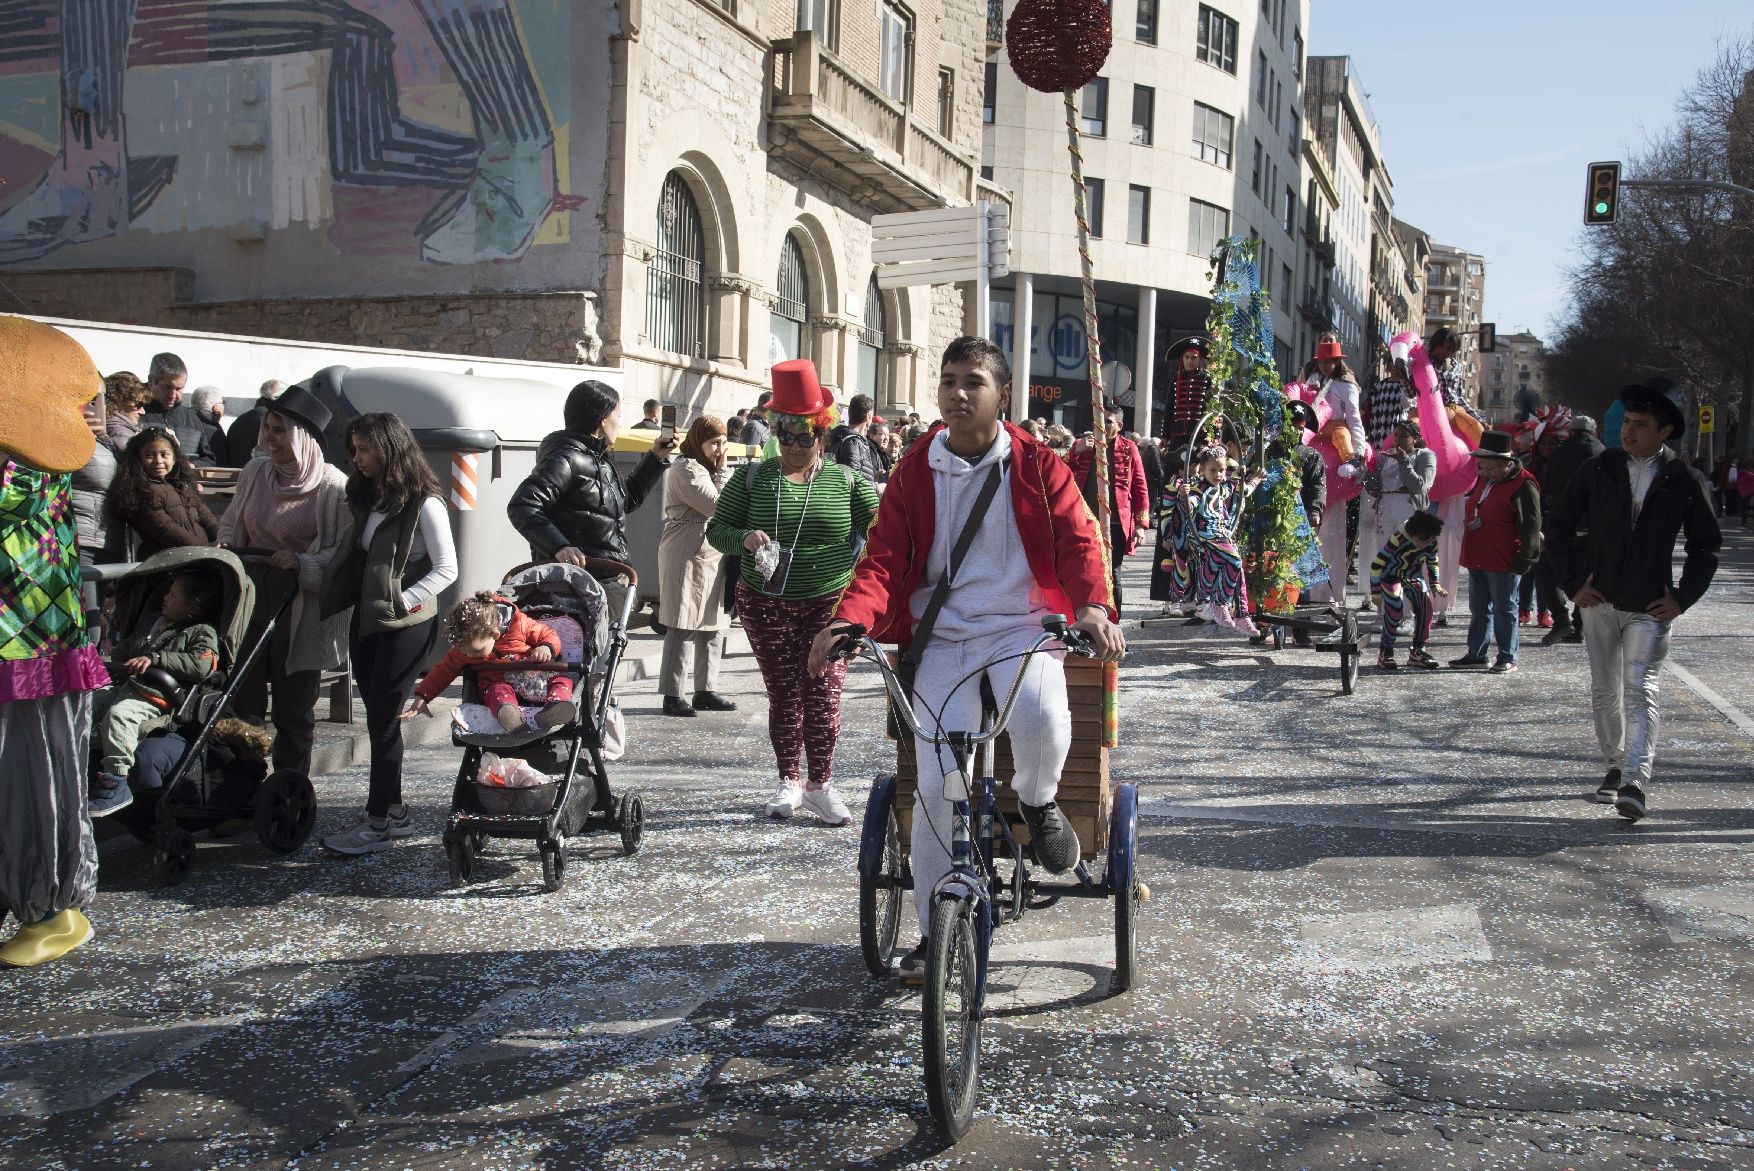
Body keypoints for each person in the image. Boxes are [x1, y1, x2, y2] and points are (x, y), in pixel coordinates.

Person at [806, 335, 1125, 979]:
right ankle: (936, 934)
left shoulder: (1038, 464)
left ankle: (1036, 801)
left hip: (1019, 629)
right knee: (933, 791)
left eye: (972, 381)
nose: (957, 392)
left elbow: (1077, 539)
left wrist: (1092, 604)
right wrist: (850, 617)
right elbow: (883, 558)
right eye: (948, 379)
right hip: (942, 639)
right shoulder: (914, 467)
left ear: (1001, 394)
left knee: (1042, 717)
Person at [707, 360, 879, 825]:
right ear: (775, 432)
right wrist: (742, 538)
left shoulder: (846, 482)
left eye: (805, 435)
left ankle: (820, 785)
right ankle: (788, 779)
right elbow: (716, 530)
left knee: (822, 694)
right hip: (765, 603)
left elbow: (889, 530)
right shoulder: (753, 479)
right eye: (786, 433)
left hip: (828, 605)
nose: (796, 445)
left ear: (822, 434)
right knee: (784, 694)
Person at [1547, 379, 1720, 822]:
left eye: (1641, 425)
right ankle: (1614, 764)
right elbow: (1560, 526)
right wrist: (1573, 585)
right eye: (1627, 423)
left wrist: (1682, 597)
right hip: (1597, 601)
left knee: (1641, 690)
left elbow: (1706, 546)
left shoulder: (1684, 480)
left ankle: (1635, 781)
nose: (1629, 432)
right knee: (1606, 691)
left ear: (1664, 432)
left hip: (1650, 605)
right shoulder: (1599, 469)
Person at [0, 315, 113, 969]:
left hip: (27, 645)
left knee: (33, 773)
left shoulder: (31, 465)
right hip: (25, 645)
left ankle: (52, 908)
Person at [318, 413, 458, 855]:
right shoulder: (367, 496)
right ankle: (394, 811)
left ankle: (377, 822)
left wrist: (406, 600)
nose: (355, 458)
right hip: (368, 618)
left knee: (382, 721)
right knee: (377, 716)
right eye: (353, 449)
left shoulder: (426, 503)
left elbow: (446, 569)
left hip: (407, 626)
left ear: (389, 448)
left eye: (363, 449)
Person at [217, 385, 353, 776]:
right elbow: (233, 521)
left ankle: (289, 793)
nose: (269, 438)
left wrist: (301, 562)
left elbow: (341, 555)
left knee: (293, 708)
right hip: (250, 592)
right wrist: (227, 543)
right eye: (268, 428)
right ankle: (242, 789)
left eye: (279, 430)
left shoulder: (332, 487)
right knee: (243, 696)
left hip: (299, 605)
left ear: (302, 437)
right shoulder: (255, 472)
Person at [86, 569, 224, 816]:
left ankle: (117, 782)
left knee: (120, 716)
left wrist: (158, 659)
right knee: (84, 705)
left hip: (159, 696)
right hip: (127, 687)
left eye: (172, 594)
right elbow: (125, 650)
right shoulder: (153, 622)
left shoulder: (201, 631)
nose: (165, 598)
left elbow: (202, 664)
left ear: (194, 606)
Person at [507, 380, 676, 570]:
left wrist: (655, 458)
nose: (620, 423)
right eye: (618, 416)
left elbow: (626, 500)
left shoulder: (601, 456)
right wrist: (560, 547)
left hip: (610, 576)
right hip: (580, 582)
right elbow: (523, 505)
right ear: (603, 419)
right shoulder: (567, 459)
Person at [405, 590, 574, 732]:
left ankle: (555, 708)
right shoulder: (464, 649)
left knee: (562, 680)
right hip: (501, 684)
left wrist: (546, 648)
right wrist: (422, 697)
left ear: (495, 635)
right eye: (464, 652)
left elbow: (547, 634)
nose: (470, 656)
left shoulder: (519, 625)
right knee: (496, 690)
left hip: (537, 678)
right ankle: (509, 715)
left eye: (476, 651)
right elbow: (444, 670)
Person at [657, 416, 736, 717]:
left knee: (713, 620)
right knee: (683, 621)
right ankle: (673, 693)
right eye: (714, 443)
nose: (719, 450)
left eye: (723, 443)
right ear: (698, 441)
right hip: (686, 549)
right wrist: (724, 471)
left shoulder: (705, 468)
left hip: (712, 549)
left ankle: (706, 689)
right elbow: (720, 506)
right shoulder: (686, 468)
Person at [1450, 431, 1541, 674]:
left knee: (1504, 609)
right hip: (1477, 555)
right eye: (1482, 467)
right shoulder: (1487, 480)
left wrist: (1525, 558)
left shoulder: (1524, 484)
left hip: (1503, 559)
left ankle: (1507, 655)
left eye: (1490, 468)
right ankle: (1477, 654)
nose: (1484, 473)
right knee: (1479, 609)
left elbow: (1531, 524)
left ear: (1506, 463)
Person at [1163, 445, 1263, 636]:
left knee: (1234, 569)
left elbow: (1243, 489)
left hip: (1222, 535)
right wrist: (1185, 499)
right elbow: (1189, 506)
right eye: (1213, 470)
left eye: (1221, 470)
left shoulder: (1224, 487)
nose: (1218, 474)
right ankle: (1218, 603)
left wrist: (1253, 480)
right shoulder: (1198, 490)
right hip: (1205, 535)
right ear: (1202, 470)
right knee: (1234, 560)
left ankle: (1241, 614)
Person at [1066, 401, 1150, 611]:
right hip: (1084, 521)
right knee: (1084, 571)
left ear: (1119, 426)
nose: (1102, 425)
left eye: (1108, 421)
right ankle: (1086, 619)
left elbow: (1140, 487)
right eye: (1098, 420)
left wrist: (1141, 525)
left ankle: (1115, 621)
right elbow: (1060, 472)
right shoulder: (1082, 445)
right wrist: (1075, 450)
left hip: (1116, 524)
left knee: (1113, 573)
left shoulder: (1129, 449)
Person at [1309, 339, 1366, 614]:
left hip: (1336, 432)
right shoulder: (1312, 380)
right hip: (1315, 433)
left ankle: (1349, 461)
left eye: (1328, 361)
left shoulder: (1346, 386)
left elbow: (1354, 419)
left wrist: (1358, 453)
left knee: (1342, 433)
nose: (1324, 365)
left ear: (1337, 362)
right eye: (1321, 361)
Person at [1537, 415, 1603, 646]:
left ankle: (1561, 619)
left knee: (1547, 569)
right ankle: (1580, 625)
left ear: (1570, 432)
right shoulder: (1603, 453)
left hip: (1560, 521)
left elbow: (1548, 486)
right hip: (1592, 524)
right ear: (1594, 432)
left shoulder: (1559, 454)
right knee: (1586, 573)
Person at [112, 427, 220, 559]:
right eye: (149, 455)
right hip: (168, 562)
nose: (158, 461)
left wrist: (221, 538)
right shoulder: (141, 490)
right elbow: (164, 527)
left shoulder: (182, 486)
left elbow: (206, 517)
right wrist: (202, 550)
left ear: (174, 459)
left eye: (164, 455)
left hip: (201, 557)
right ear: (138, 459)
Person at [1361, 420, 1436, 583]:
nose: (1398, 439)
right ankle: (1386, 604)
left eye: (1404, 436)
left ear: (1415, 438)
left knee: (1407, 557)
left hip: (1408, 508)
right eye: (1396, 435)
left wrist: (1403, 461)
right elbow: (1375, 489)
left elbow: (1418, 487)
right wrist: (1364, 472)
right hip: (1385, 508)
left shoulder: (1425, 456)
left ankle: (1409, 604)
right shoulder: (1385, 456)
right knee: (1385, 555)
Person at [1371, 510, 1446, 670]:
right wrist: (1376, 592)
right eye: (1422, 540)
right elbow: (1377, 565)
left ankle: (1418, 651)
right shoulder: (1398, 539)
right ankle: (1386, 652)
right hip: (1390, 576)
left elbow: (1432, 561)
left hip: (1412, 575)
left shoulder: (1431, 541)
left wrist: (1435, 583)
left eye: (1430, 540)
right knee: (1395, 611)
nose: (1425, 544)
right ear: (1413, 534)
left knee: (1426, 608)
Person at [139, 353, 208, 465]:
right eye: (168, 387)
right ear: (151, 380)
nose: (173, 395)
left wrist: (193, 466)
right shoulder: (135, 412)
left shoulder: (191, 418)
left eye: (179, 389)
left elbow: (208, 459)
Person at [1162, 336, 1213, 451]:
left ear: (1199, 360)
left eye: (1193, 358)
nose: (1190, 361)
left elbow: (1211, 410)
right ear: (1182, 359)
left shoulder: (1206, 380)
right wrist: (1166, 435)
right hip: (1177, 435)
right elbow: (1169, 408)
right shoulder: (1176, 380)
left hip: (1199, 435)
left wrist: (1213, 434)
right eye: (1187, 357)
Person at [829, 393, 888, 488]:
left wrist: (873, 475)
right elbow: (853, 480)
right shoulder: (853, 442)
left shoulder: (845, 437)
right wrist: (878, 488)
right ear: (868, 417)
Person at [225, 379, 286, 468]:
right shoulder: (275, 419)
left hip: (238, 475)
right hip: (262, 475)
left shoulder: (239, 420)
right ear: (277, 397)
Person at [104, 371, 149, 452]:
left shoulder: (109, 427)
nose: (143, 412)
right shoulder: (121, 435)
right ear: (119, 401)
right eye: (138, 405)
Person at [190, 385, 230, 468]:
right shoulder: (214, 430)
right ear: (216, 408)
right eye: (223, 402)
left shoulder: (183, 419)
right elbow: (221, 463)